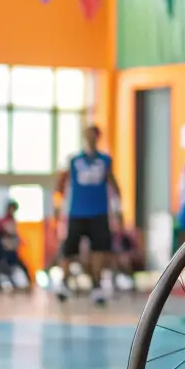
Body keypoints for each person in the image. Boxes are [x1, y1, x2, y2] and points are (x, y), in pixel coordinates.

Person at [54, 125, 120, 305]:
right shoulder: (74, 160)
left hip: (99, 212)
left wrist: (118, 207)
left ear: (97, 137)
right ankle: (64, 282)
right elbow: (60, 183)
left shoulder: (105, 160)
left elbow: (112, 182)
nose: (90, 138)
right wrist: (59, 206)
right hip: (77, 212)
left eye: (93, 135)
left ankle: (97, 285)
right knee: (69, 249)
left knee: (99, 250)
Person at [0, 200, 32, 289]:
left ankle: (27, 283)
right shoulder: (3, 221)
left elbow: (16, 235)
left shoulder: (13, 221)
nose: (13, 211)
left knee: (21, 266)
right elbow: (4, 232)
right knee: (3, 268)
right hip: (5, 250)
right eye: (12, 209)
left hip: (13, 250)